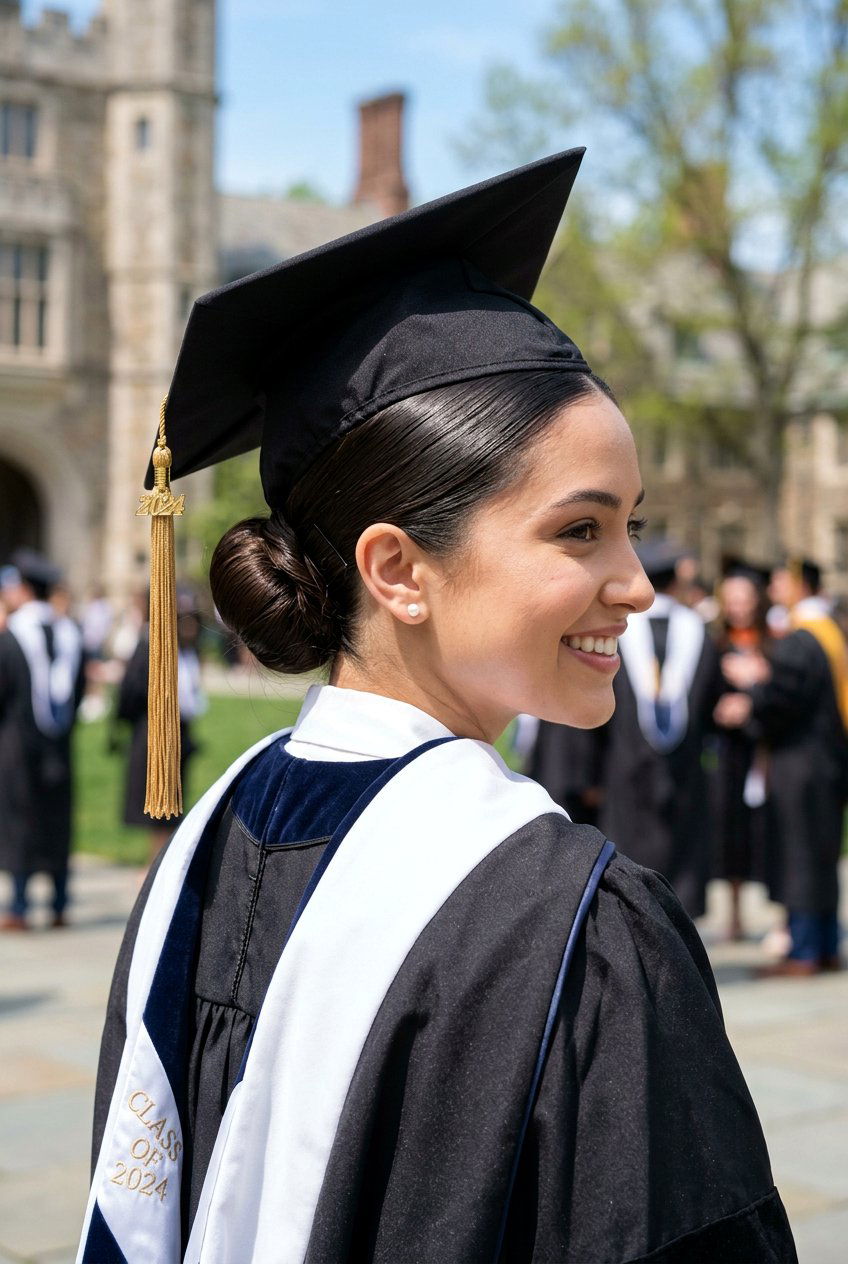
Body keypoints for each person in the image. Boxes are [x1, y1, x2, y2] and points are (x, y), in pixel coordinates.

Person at [80, 153, 795, 1262]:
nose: (639, 583)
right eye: (579, 530)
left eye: (631, 524)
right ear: (398, 570)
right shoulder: (575, 925)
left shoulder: (207, 849)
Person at [530, 541, 724, 919]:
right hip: (685, 772)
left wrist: (586, 775)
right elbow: (714, 701)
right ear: (674, 581)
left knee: (630, 863)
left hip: (623, 771)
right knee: (681, 863)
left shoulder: (611, 635)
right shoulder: (700, 634)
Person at [718, 558, 848, 975]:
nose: (773, 586)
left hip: (800, 764)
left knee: (800, 854)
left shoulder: (800, 638)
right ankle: (825, 944)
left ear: (797, 585)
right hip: (825, 761)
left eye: (779, 579)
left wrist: (751, 692)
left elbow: (783, 700)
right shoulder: (830, 630)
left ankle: (804, 950)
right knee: (821, 854)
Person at [0, 550, 85, 930]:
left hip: (17, 744)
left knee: (20, 819)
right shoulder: (70, 633)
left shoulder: (11, 636)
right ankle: (59, 904)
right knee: (57, 818)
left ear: (22, 588)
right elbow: (78, 690)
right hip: (60, 744)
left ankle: (18, 906)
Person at [115, 591, 206, 864]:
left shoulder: (188, 651)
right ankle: (155, 862)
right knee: (159, 804)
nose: (189, 628)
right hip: (154, 732)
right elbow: (130, 692)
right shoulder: (152, 646)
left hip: (179, 732)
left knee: (174, 801)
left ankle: (163, 861)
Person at [710, 561, 772, 939]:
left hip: (764, 748)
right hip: (728, 752)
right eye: (730, 600)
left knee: (767, 829)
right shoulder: (714, 642)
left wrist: (758, 687)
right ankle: (735, 915)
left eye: (744, 599)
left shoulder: (774, 642)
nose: (737, 607)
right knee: (731, 831)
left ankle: (777, 914)